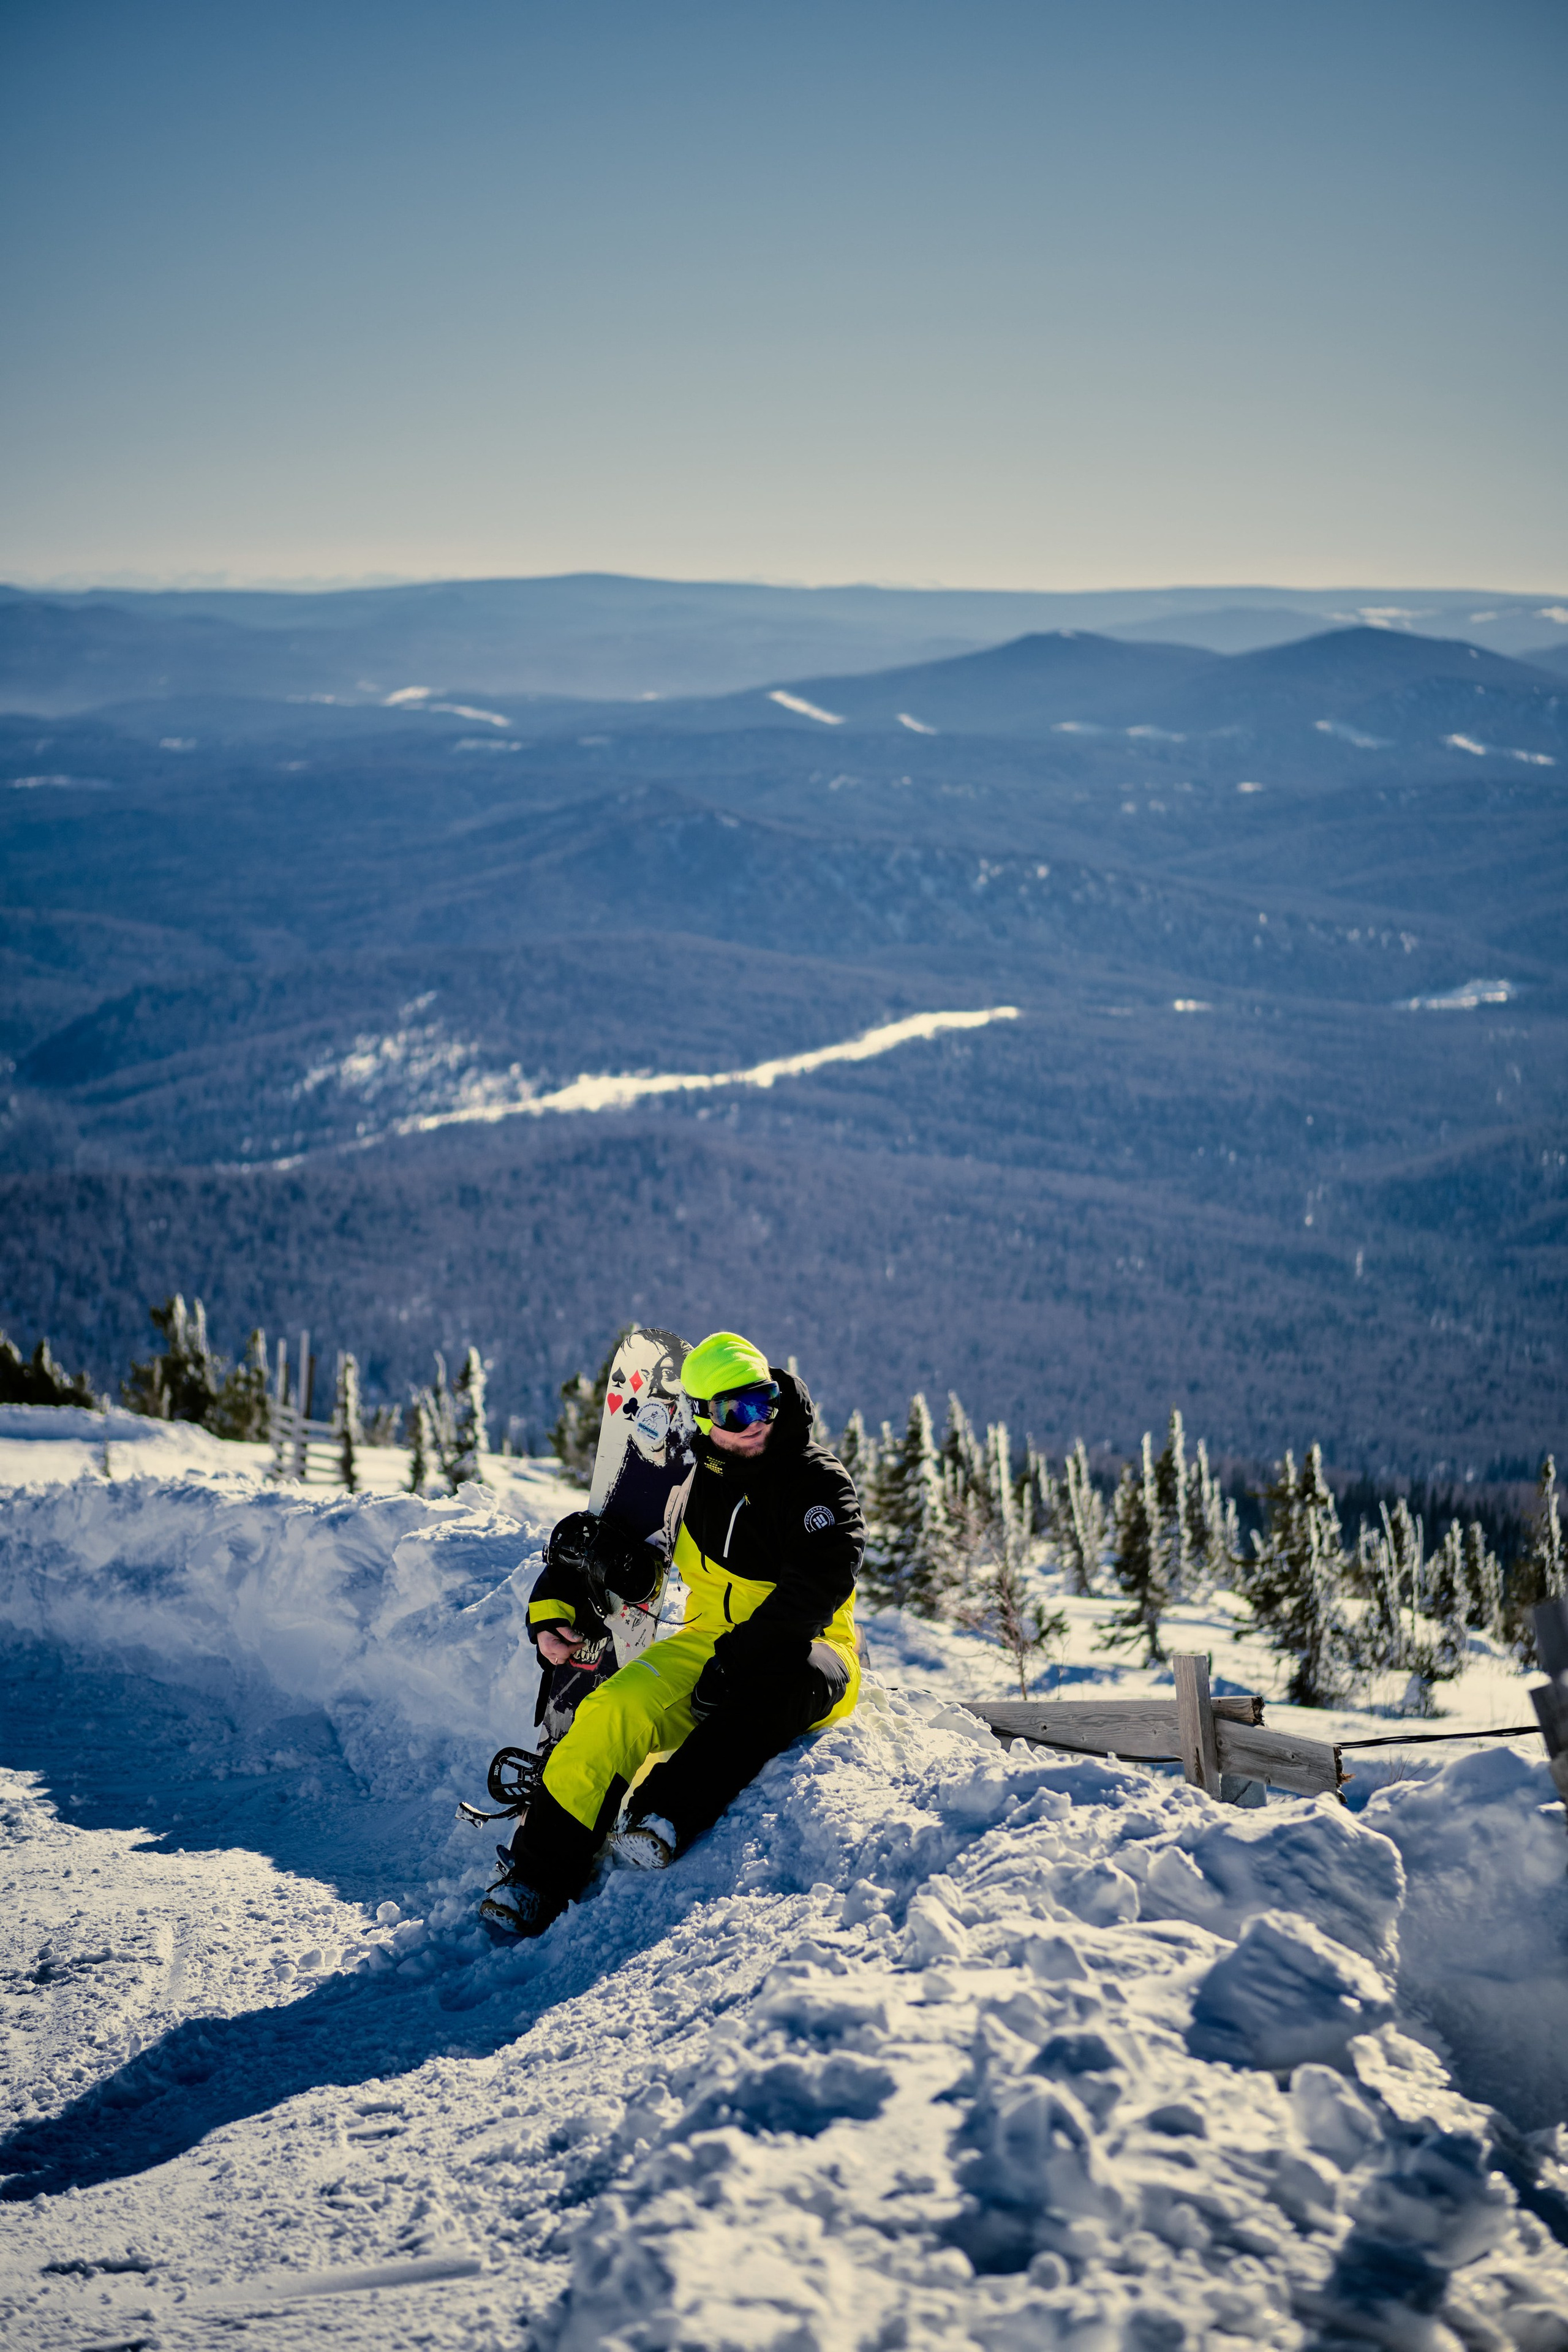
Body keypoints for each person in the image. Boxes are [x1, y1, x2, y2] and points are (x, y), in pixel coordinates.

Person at [484, 1330, 864, 1937]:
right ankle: (537, 1877)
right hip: (710, 1639)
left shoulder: (813, 1480)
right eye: (737, 1412)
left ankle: (663, 1814)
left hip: (811, 1645)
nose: (757, 1422)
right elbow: (606, 1546)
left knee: (779, 1686)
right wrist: (556, 1611)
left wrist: (738, 1659)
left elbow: (819, 1586)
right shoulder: (685, 1481)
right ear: (704, 1416)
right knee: (612, 1710)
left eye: (764, 1402)